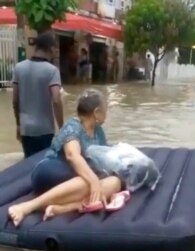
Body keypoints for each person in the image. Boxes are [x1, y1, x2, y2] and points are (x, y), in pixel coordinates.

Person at [8, 89, 123, 227]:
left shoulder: (98, 131)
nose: (107, 113)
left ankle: (67, 207)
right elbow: (72, 156)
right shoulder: (73, 126)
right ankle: (27, 207)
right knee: (88, 182)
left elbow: (104, 155)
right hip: (52, 169)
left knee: (115, 182)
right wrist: (94, 181)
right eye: (106, 109)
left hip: (76, 176)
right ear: (97, 112)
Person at [12, 32, 64, 158]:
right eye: (55, 48)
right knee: (42, 163)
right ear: (51, 48)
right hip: (45, 129)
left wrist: (18, 124)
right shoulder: (52, 71)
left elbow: (15, 100)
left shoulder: (18, 68)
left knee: (28, 161)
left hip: (26, 128)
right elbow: (56, 100)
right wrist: (62, 127)